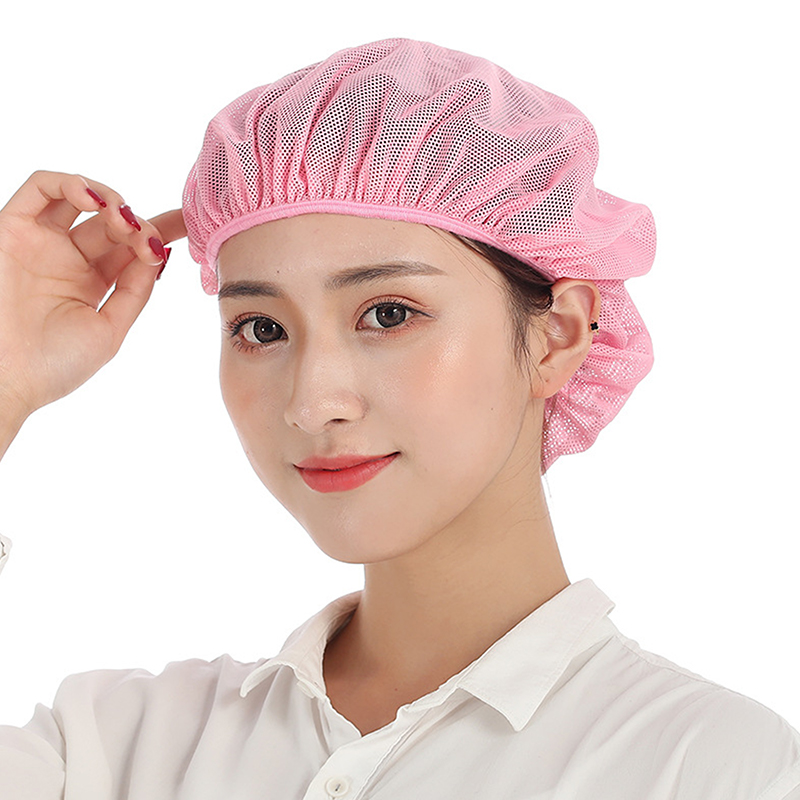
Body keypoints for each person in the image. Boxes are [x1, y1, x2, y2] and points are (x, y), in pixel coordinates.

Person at [0, 37, 797, 799]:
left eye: (388, 314)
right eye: (262, 328)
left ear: (557, 336)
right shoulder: (114, 749)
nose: (312, 402)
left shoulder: (719, 772)